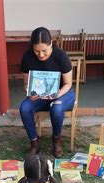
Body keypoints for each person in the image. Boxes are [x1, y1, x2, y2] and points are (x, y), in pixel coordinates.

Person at [20, 27, 75, 158]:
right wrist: (29, 91)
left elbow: (68, 84)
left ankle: (56, 140)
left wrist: (56, 95)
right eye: (37, 51)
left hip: (63, 93)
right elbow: (26, 84)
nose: (41, 55)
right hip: (40, 96)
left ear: (51, 44)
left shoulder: (61, 56)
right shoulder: (27, 57)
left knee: (56, 107)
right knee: (24, 108)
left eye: (44, 50)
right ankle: (34, 142)